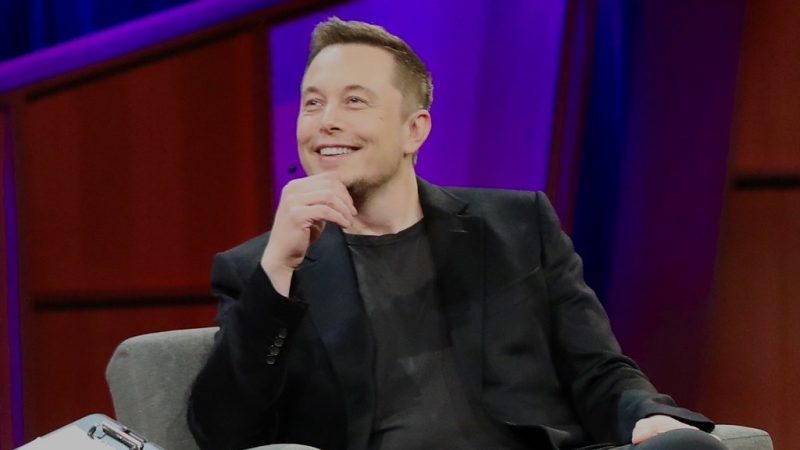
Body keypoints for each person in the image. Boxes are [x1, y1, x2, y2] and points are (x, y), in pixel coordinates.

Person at [188, 18, 727, 450]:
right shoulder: (259, 269)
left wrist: (647, 416)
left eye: (354, 100)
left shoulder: (517, 226)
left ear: (414, 129)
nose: (325, 120)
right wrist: (277, 271)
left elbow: (596, 369)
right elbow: (222, 432)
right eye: (312, 102)